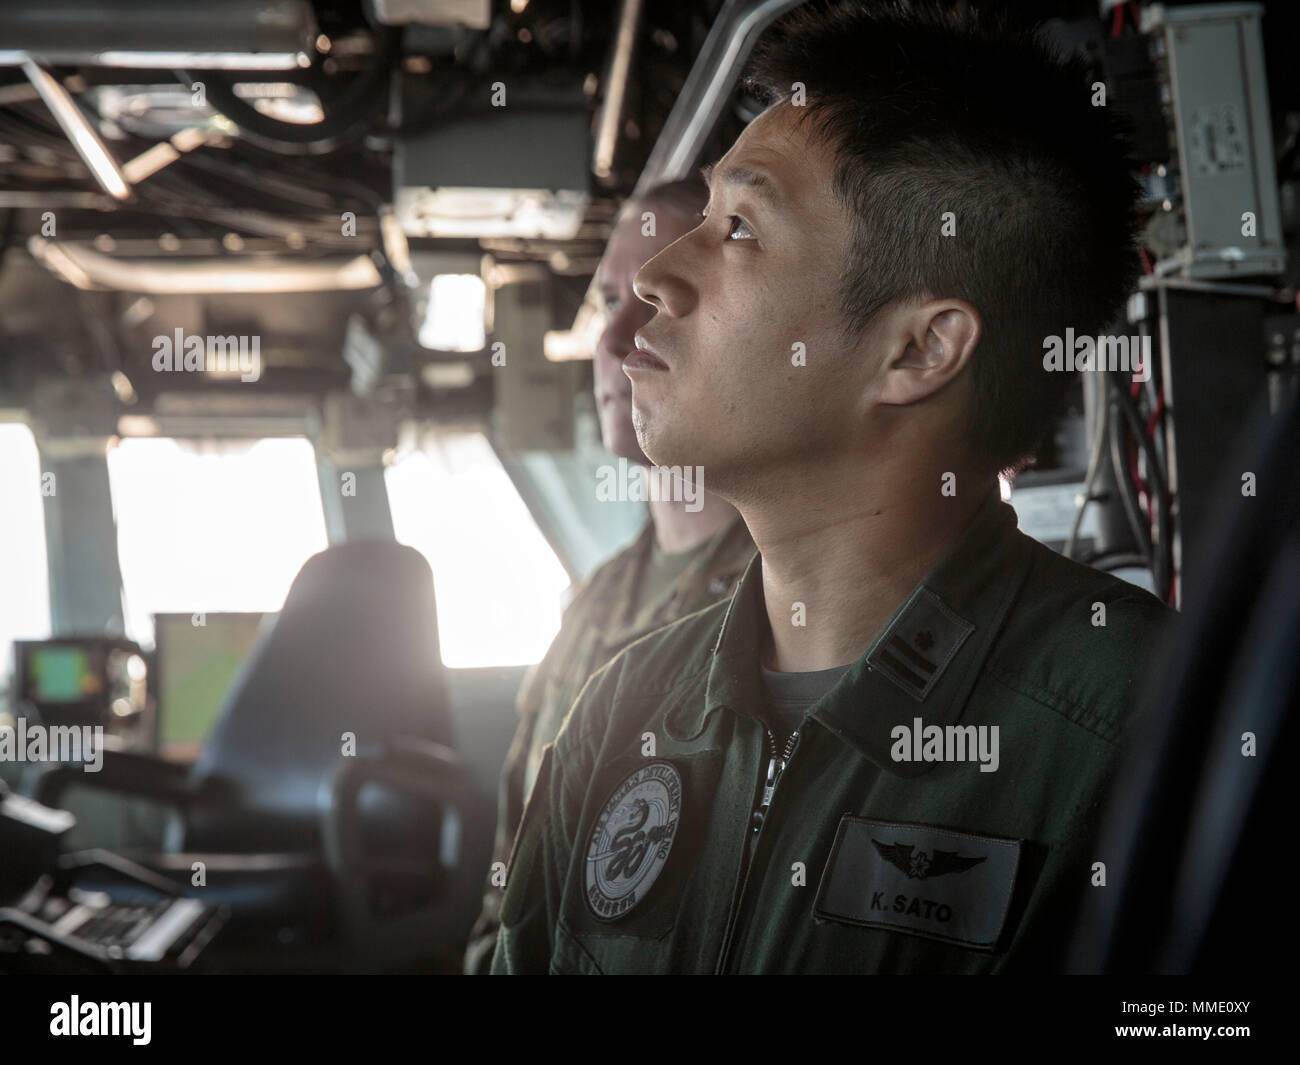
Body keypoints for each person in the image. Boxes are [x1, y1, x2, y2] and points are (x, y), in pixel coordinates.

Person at [491, 0, 1174, 974]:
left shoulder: (1138, 740)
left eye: (738, 228)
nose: (658, 277)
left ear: (919, 348)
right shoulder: (623, 709)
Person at [462, 178, 756, 973]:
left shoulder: (790, 610)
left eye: (659, 301)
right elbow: (514, 868)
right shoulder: (594, 601)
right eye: (607, 300)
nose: (615, 338)